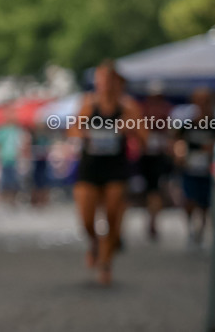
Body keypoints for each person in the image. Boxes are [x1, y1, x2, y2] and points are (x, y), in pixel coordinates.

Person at [70, 60, 144, 286]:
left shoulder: (128, 107)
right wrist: (83, 133)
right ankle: (94, 242)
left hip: (115, 168)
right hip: (90, 167)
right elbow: (73, 129)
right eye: (99, 80)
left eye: (108, 80)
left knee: (113, 216)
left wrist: (130, 130)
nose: (103, 85)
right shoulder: (88, 104)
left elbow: (144, 138)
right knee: (86, 219)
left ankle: (105, 263)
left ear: (117, 82)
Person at [175, 87, 215, 247]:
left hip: (207, 170)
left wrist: (212, 150)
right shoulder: (188, 124)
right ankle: (190, 229)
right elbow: (177, 142)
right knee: (189, 200)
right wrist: (179, 154)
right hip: (190, 168)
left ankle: (200, 229)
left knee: (205, 203)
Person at [137, 89, 172, 240]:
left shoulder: (164, 111)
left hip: (157, 156)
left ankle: (152, 220)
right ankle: (151, 219)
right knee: (149, 190)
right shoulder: (143, 110)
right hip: (146, 155)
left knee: (154, 190)